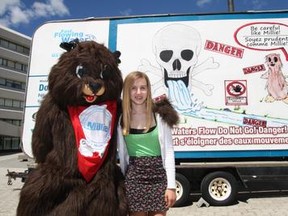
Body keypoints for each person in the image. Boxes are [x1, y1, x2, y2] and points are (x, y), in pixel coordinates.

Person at [117, 71, 179, 216]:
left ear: (148, 90)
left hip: (159, 176)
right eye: (133, 88)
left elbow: (169, 152)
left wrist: (171, 186)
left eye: (143, 88)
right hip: (134, 178)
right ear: (127, 91)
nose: (138, 92)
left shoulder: (160, 116)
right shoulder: (121, 119)